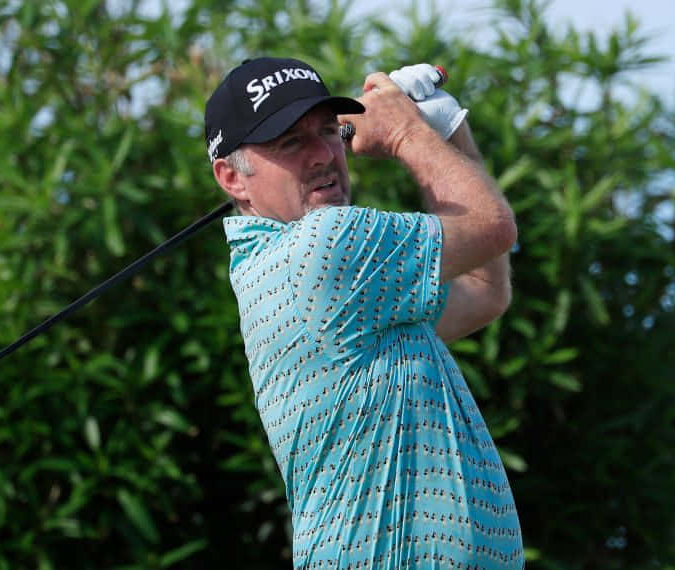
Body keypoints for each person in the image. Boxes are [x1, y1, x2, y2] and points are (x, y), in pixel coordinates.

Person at [205, 57, 523, 569]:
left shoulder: (336, 279)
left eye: (329, 130)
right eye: (290, 142)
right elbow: (492, 226)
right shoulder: (323, 247)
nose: (323, 155)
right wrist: (404, 135)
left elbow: (484, 290)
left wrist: (443, 131)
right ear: (232, 178)